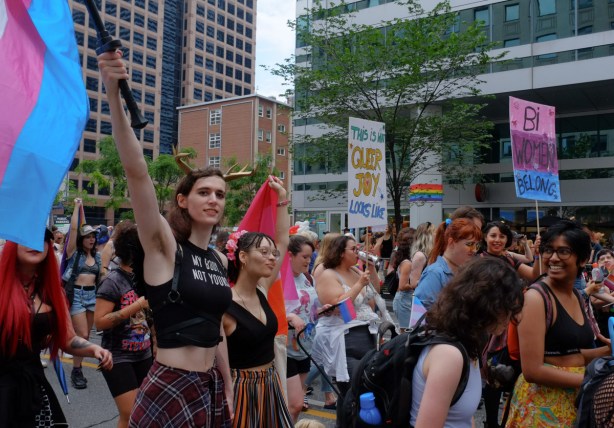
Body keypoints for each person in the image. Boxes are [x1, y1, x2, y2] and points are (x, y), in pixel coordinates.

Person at [99, 51, 234, 427]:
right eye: (204, 192)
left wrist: (227, 381)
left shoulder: (219, 261)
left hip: (209, 387)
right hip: (170, 385)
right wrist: (113, 95)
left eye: (220, 195)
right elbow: (136, 172)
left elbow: (216, 328)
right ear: (183, 200)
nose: (213, 199)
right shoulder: (164, 246)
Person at [0, 229, 112, 427]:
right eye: (28, 237)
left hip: (32, 386)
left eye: (43, 239)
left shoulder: (53, 293)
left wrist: (94, 349)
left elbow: (68, 339)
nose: (35, 243)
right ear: (12, 244)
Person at [506, 220, 610, 426]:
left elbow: (572, 355)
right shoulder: (536, 298)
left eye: (563, 251)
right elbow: (532, 370)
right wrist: (593, 382)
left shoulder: (577, 296)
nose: (553, 258)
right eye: (548, 251)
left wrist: (608, 350)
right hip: (542, 410)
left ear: (582, 259)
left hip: (573, 405)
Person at [410, 258, 524, 428]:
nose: (510, 318)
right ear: (487, 305)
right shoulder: (449, 355)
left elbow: (462, 416)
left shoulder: (467, 343)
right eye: (507, 309)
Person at [222, 181, 293, 428]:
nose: (272, 258)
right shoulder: (223, 305)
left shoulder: (262, 291)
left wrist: (282, 197)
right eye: (264, 252)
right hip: (240, 391)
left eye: (272, 254)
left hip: (271, 384)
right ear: (242, 257)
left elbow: (283, 240)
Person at [310, 235, 381, 426]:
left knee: (359, 388)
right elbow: (338, 307)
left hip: (366, 335)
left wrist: (371, 270)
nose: (358, 252)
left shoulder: (355, 270)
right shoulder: (328, 274)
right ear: (341, 253)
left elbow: (375, 292)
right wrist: (359, 285)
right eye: (353, 249)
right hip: (343, 338)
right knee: (354, 388)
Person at [94, 221, 153, 428]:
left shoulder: (145, 278)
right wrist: (135, 306)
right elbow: (99, 322)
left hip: (145, 354)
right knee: (129, 415)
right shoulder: (112, 281)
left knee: (146, 413)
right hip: (118, 357)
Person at [63, 198, 102, 389]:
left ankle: (77, 369)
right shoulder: (74, 253)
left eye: (93, 236)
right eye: (87, 236)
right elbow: (73, 230)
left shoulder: (97, 257)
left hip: (92, 296)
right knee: (82, 333)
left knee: (85, 337)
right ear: (81, 239)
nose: (91, 238)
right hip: (77, 296)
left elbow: (101, 278)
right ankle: (76, 371)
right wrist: (77, 206)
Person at [414, 219, 482, 310]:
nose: (474, 250)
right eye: (470, 244)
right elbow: (423, 316)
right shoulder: (434, 273)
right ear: (451, 242)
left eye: (477, 245)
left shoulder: (463, 271)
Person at [285, 235, 318, 420]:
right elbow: (268, 311)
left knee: (295, 407)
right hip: (285, 348)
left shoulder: (308, 278)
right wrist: (290, 316)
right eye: (304, 256)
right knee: (295, 403)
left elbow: (310, 309)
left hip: (305, 346)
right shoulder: (278, 278)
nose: (308, 260)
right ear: (290, 255)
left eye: (310, 256)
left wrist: (324, 310)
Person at [390, 228, 416, 329]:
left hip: (404, 300)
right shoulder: (407, 263)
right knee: (406, 333)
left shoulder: (406, 261)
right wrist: (416, 284)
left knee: (407, 331)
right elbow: (402, 286)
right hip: (404, 301)